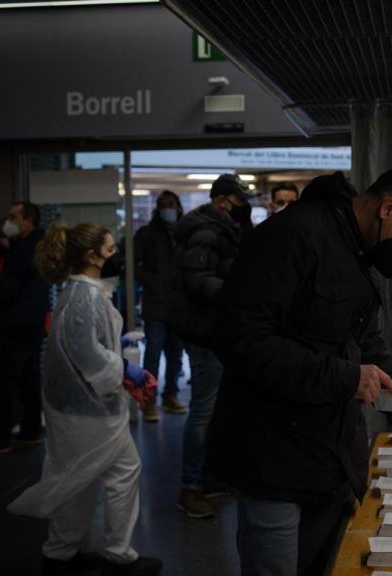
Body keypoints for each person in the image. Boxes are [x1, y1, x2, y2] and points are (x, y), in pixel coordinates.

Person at [207, 166, 392, 575]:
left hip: (327, 461)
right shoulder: (291, 236)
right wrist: (345, 377)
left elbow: (369, 345)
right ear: (389, 207)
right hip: (271, 462)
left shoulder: (353, 251)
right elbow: (240, 340)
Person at [8, 222, 162, 576]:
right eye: (109, 251)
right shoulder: (85, 297)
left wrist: (118, 355)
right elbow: (88, 355)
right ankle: (119, 557)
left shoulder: (82, 292)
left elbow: (85, 347)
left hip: (75, 407)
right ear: (91, 256)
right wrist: (125, 368)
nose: (114, 256)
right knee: (122, 471)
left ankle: (60, 553)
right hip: (87, 408)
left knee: (77, 477)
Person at [168, 173, 254, 518]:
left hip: (212, 328)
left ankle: (208, 477)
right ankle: (190, 487)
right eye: (238, 202)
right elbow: (197, 279)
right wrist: (237, 292)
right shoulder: (206, 231)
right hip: (202, 331)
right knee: (203, 409)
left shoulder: (221, 228)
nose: (243, 208)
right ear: (222, 201)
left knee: (214, 407)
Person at [0, 201, 50, 451]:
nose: (7, 222)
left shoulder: (23, 251)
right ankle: (31, 430)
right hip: (33, 321)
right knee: (29, 379)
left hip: (15, 322)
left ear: (28, 221)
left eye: (13, 217)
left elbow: (9, 287)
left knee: (2, 381)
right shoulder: (39, 247)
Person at [133, 190, 186, 421]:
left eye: (171, 204)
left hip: (180, 305)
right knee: (152, 354)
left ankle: (170, 396)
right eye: (164, 205)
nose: (168, 208)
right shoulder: (146, 234)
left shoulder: (185, 233)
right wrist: (153, 282)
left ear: (178, 207)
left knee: (176, 355)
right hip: (156, 305)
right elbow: (133, 264)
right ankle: (148, 401)